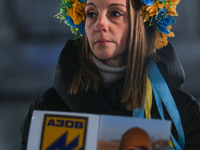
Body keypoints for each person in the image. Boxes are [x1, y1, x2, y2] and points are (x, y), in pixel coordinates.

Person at [19, 0, 200, 149]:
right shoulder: (47, 109)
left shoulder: (183, 112)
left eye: (115, 13)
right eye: (91, 14)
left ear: (142, 22)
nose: (100, 24)